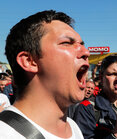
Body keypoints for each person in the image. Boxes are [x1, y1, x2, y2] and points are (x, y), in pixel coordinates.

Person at [0, 10, 88, 138]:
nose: (86, 52)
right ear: (29, 61)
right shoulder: (5, 133)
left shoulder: (73, 127)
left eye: (82, 44)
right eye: (67, 43)